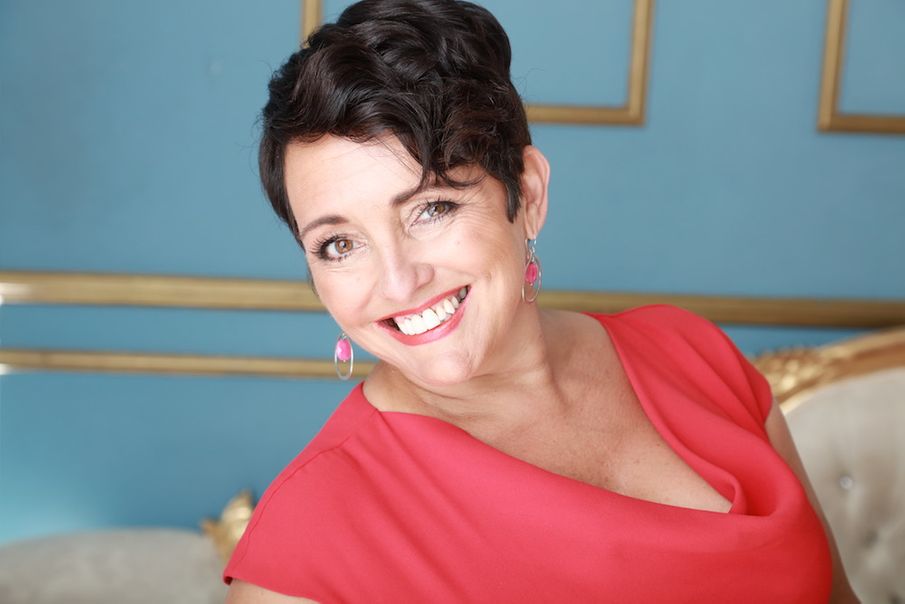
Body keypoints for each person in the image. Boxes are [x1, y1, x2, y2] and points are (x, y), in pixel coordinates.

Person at [224, 1, 859, 602]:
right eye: (339, 244)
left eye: (431, 209)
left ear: (526, 195)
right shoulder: (303, 544)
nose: (396, 282)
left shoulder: (694, 354)